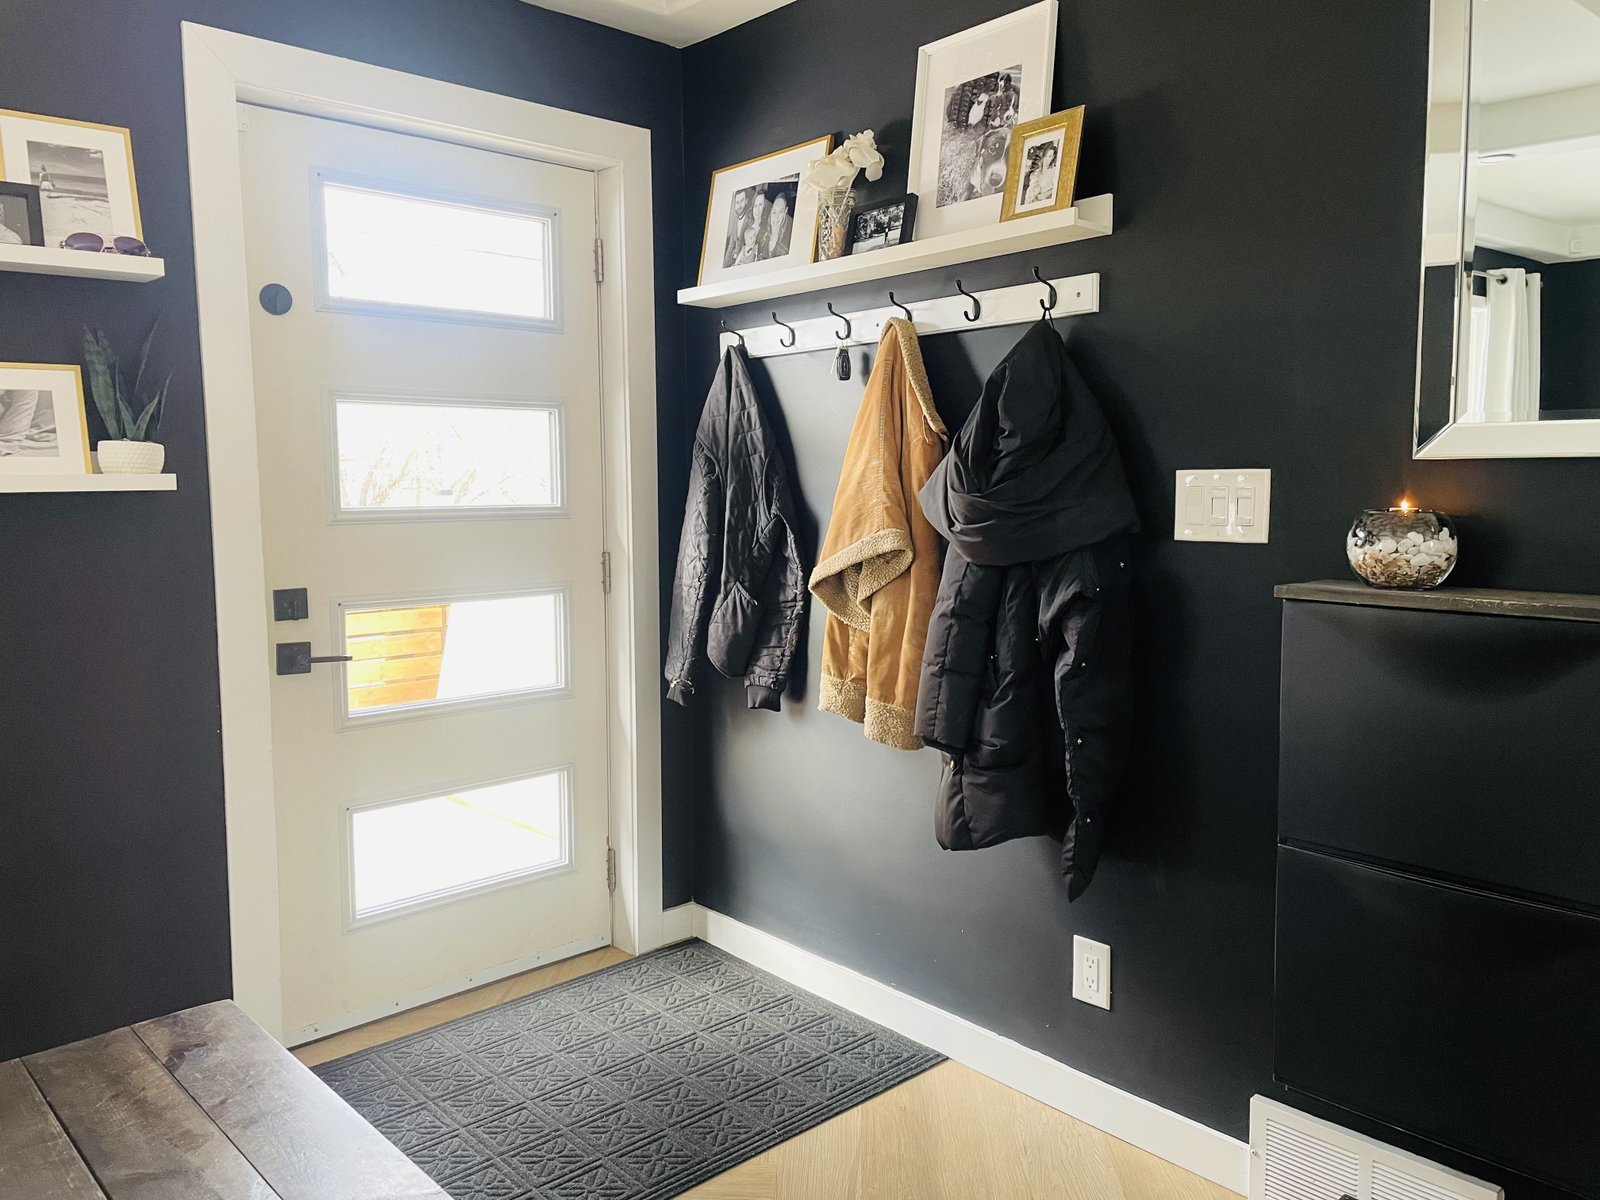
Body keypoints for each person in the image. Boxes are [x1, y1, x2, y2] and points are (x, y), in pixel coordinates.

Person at [722, 189, 750, 269]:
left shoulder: (749, 220)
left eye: (742, 201)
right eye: (737, 202)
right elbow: (731, 245)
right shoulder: (735, 219)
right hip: (733, 260)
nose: (739, 205)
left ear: (746, 201)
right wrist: (724, 266)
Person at [764, 191, 793, 259]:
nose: (776, 217)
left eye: (780, 212)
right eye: (774, 212)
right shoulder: (763, 237)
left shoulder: (788, 241)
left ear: (785, 211)